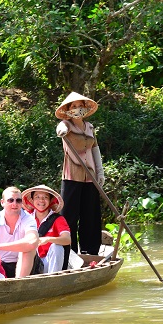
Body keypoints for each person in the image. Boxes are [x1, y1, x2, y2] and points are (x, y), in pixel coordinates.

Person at [55, 91, 105, 257]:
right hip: (72, 176)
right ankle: (70, 252)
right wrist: (61, 128)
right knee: (69, 215)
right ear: (69, 110)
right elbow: (60, 128)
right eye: (74, 106)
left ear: (85, 108)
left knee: (90, 214)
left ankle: (90, 251)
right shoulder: (67, 125)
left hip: (90, 177)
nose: (77, 109)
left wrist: (100, 172)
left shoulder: (90, 127)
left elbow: (95, 150)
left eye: (80, 106)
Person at [0, 186, 41, 278]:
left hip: (28, 267)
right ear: (2, 202)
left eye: (18, 200)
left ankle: (19, 284)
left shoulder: (28, 219)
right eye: (10, 200)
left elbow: (32, 242)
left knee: (28, 250)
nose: (14, 204)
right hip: (1, 265)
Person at [21, 185, 71, 274]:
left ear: (51, 200)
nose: (41, 200)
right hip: (29, 263)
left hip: (48, 264)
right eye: (37, 197)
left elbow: (67, 240)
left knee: (57, 247)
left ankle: (53, 281)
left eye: (45, 197)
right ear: (32, 200)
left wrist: (48, 239)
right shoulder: (25, 217)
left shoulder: (58, 219)